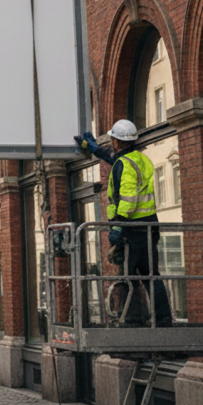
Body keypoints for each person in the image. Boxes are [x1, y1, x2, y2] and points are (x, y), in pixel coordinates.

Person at [74, 119, 173, 327]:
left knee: (127, 275)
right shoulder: (139, 159)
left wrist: (118, 226)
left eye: (112, 139)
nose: (112, 142)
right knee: (151, 275)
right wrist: (96, 150)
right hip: (147, 226)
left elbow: (128, 198)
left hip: (133, 229)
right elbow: (115, 159)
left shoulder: (123, 164)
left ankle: (129, 319)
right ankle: (163, 319)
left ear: (117, 141)